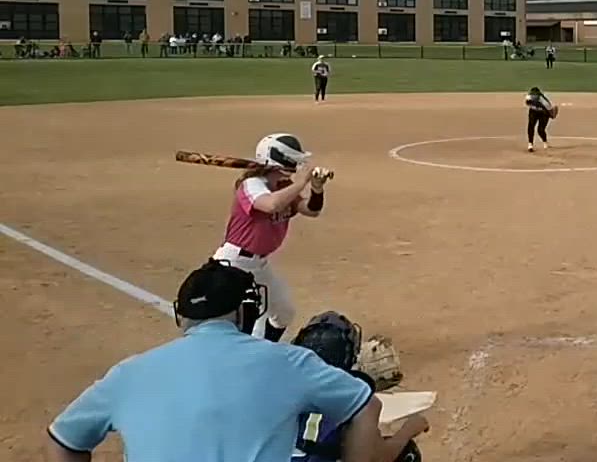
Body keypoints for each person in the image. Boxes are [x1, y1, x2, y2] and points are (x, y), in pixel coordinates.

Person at [46, 259, 382, 462]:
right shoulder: (289, 363)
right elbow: (365, 407)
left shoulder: (127, 374)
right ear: (245, 311)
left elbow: (64, 440)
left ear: (181, 316)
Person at [212, 133, 334, 342]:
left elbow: (311, 210)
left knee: (283, 313)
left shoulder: (283, 187)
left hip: (259, 265)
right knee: (236, 323)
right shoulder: (251, 184)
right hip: (233, 264)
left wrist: (316, 188)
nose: (297, 166)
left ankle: (265, 350)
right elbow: (271, 205)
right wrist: (301, 182)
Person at [291, 312, 429, 462]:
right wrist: (409, 429)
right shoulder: (354, 397)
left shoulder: (281, 382)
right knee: (406, 453)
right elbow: (382, 457)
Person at [525, 86, 556, 152]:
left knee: (540, 130)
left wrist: (552, 115)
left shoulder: (544, 102)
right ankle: (530, 144)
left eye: (535, 95)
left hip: (543, 113)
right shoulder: (528, 97)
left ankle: (545, 142)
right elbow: (528, 103)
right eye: (532, 95)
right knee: (530, 126)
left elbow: (549, 110)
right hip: (533, 112)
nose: (533, 96)